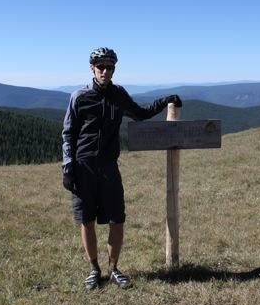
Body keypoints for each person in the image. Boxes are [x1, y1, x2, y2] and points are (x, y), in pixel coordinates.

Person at [62, 47, 182, 290]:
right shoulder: (79, 97)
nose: (105, 71)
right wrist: (67, 167)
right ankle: (94, 269)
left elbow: (140, 114)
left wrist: (165, 100)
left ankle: (114, 269)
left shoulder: (119, 95)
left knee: (117, 219)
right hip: (83, 166)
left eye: (110, 67)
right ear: (92, 68)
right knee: (87, 220)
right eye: (101, 67)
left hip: (108, 166)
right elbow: (68, 134)